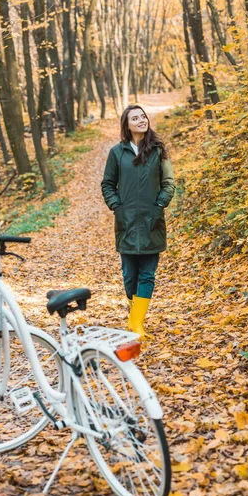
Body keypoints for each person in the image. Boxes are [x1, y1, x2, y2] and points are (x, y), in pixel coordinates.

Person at [101, 104, 175, 339]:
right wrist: (116, 207)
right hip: (126, 223)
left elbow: (169, 182)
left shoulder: (157, 150)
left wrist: (160, 204)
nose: (142, 120)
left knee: (147, 275)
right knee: (129, 275)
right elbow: (107, 184)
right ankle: (134, 321)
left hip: (152, 221)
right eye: (136, 118)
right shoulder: (117, 152)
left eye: (143, 116)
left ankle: (137, 324)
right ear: (127, 124)